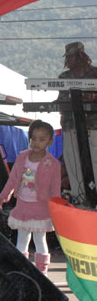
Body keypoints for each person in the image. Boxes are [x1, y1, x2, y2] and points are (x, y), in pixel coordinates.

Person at [0, 120, 61, 276]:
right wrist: (3, 196)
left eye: (42, 139)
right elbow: (12, 179)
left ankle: (42, 273)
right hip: (23, 206)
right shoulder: (22, 158)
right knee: (22, 240)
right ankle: (21, 272)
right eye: (33, 138)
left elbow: (55, 190)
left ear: (50, 142)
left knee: (40, 239)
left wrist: (57, 210)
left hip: (41, 208)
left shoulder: (53, 164)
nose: (36, 143)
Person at [57, 41, 97, 205]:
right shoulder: (64, 77)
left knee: (94, 160)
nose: (69, 60)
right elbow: (60, 100)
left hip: (93, 126)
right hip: (69, 124)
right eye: (68, 57)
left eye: (72, 56)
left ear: (81, 56)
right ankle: (79, 197)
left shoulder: (94, 74)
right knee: (72, 160)